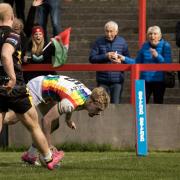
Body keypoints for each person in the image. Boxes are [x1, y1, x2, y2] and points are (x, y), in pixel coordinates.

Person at [0, 3, 63, 170]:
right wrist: (12, 77)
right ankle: (49, 158)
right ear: (12, 18)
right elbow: (6, 55)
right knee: (34, 124)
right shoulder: (12, 35)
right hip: (14, 87)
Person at [4, 74, 110, 165]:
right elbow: (46, 120)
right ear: (92, 103)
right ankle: (40, 153)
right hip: (37, 88)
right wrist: (48, 147)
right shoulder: (72, 103)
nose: (98, 113)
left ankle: (30, 155)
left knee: (54, 124)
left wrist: (68, 120)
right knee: (11, 119)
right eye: (98, 109)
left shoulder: (87, 95)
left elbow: (73, 102)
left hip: (47, 91)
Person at [118, 26, 172, 104]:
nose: (152, 36)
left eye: (155, 34)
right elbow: (137, 62)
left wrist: (157, 56)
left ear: (160, 36)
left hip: (159, 81)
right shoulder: (144, 46)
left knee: (158, 104)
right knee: (141, 106)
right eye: (150, 34)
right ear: (147, 36)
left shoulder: (165, 45)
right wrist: (123, 58)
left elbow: (168, 64)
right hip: (144, 81)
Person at [89, 21, 130, 104]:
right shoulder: (98, 42)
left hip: (117, 80)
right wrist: (106, 56)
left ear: (116, 32)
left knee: (116, 104)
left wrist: (120, 61)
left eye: (111, 31)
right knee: (100, 104)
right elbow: (92, 58)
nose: (108, 34)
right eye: (107, 31)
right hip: (102, 80)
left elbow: (128, 59)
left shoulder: (122, 42)